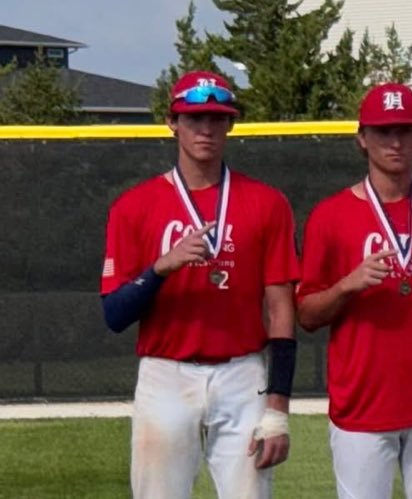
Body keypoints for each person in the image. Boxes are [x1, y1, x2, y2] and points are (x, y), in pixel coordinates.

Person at [100, 70, 297, 498]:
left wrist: (278, 407)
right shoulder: (134, 206)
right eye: (194, 118)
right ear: (172, 122)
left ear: (230, 124)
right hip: (166, 373)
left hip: (242, 372)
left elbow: (281, 308)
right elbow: (114, 315)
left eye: (217, 118)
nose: (206, 129)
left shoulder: (267, 202)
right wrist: (161, 268)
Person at [296, 83, 412, 498]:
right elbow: (307, 314)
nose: (395, 142)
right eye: (383, 131)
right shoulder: (330, 216)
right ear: (362, 138)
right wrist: (347, 286)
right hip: (362, 405)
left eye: (405, 131)